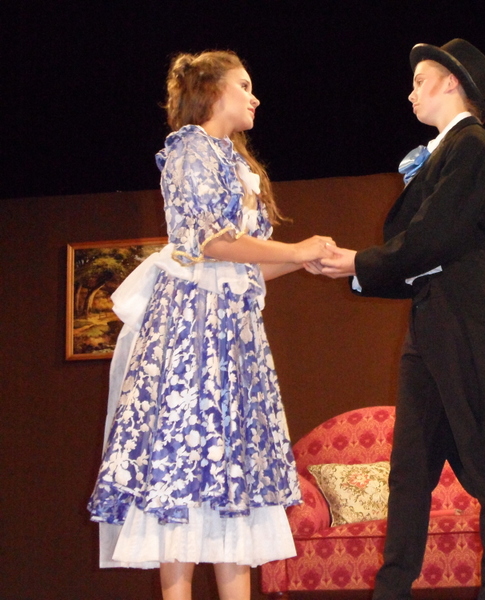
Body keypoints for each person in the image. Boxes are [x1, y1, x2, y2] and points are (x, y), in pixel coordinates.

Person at [87, 50, 335, 600]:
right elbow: (210, 242)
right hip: (193, 332)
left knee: (231, 478)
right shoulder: (189, 150)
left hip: (234, 336)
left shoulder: (238, 164)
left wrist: (302, 260)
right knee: (182, 465)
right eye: (244, 85)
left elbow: (248, 264)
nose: (254, 97)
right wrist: (296, 248)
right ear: (213, 91)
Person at [315, 39, 485, 600]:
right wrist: (359, 269)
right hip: (432, 317)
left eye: (419, 81)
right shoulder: (446, 151)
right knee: (410, 468)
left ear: (451, 82)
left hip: (466, 317)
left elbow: (435, 237)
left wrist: (358, 263)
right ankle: (392, 589)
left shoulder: (472, 144)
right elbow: (416, 247)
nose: (411, 93)